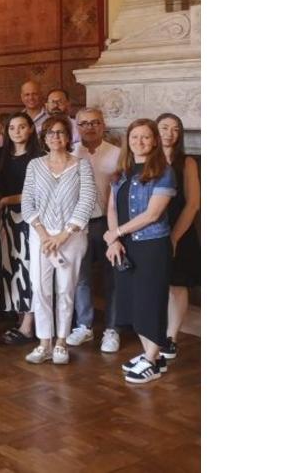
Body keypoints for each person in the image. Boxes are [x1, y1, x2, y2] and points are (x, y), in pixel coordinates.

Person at [104, 119, 177, 384]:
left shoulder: (164, 171)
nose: (139, 142)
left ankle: (152, 360)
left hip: (151, 246)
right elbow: (112, 208)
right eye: (134, 137)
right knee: (133, 302)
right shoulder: (121, 172)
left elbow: (153, 214)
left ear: (155, 140)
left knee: (150, 301)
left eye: (145, 137)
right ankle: (151, 356)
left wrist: (117, 232)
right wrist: (113, 241)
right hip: (125, 246)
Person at [21, 115, 96, 365]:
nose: (56, 137)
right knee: (40, 289)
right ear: (44, 138)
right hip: (40, 236)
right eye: (50, 133)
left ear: (68, 137)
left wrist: (63, 235)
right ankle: (44, 343)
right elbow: (27, 202)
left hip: (71, 237)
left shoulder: (82, 165)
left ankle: (61, 342)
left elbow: (87, 201)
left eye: (61, 132)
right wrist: (44, 235)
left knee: (66, 289)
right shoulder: (34, 165)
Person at [67, 108, 123, 352]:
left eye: (95, 122)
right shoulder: (70, 154)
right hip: (78, 225)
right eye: (84, 123)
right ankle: (84, 325)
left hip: (108, 224)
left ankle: (112, 329)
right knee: (81, 278)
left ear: (103, 125)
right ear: (77, 127)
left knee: (113, 278)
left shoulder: (118, 154)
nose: (89, 127)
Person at [0, 112, 43, 346]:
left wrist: (6, 200)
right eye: (12, 127)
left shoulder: (39, 157)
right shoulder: (2, 155)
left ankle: (29, 325)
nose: (16, 131)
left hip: (30, 219)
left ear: (31, 129)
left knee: (28, 269)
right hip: (6, 218)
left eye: (22, 127)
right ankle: (21, 317)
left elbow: (37, 193)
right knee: (11, 268)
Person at [157, 112, 200, 361]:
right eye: (164, 127)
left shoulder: (187, 162)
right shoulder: (145, 159)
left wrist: (174, 237)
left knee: (177, 284)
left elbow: (193, 204)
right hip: (151, 229)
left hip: (179, 229)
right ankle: (154, 332)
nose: (169, 133)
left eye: (175, 129)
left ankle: (171, 337)